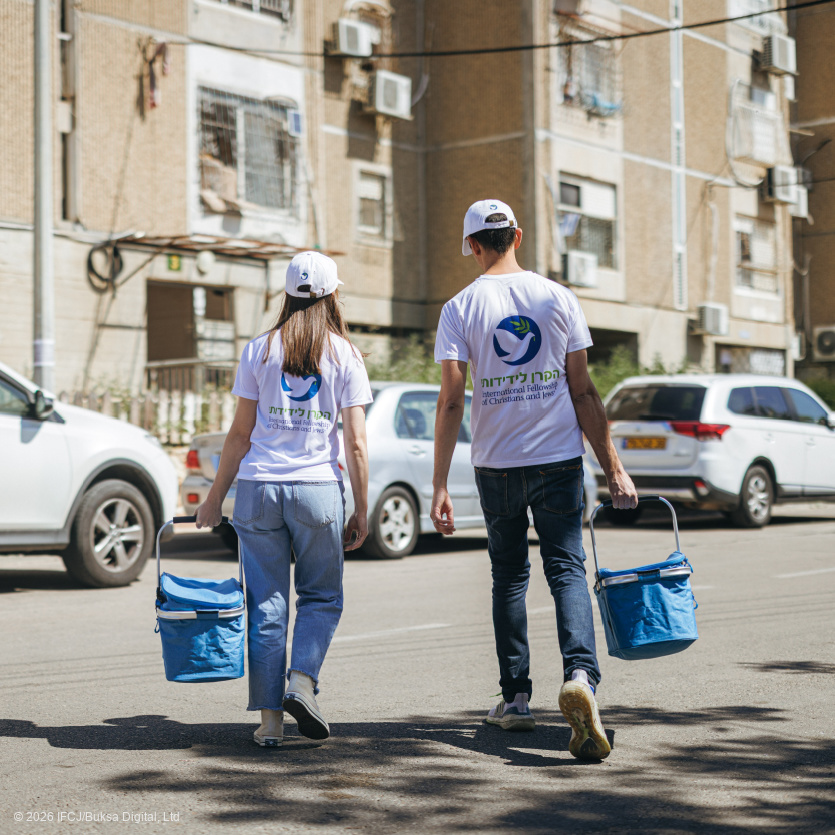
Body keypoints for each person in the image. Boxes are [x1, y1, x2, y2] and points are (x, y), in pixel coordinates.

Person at [431, 199, 638, 761]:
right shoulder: (558, 297)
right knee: (567, 570)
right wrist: (613, 468)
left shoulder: (458, 308)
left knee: (509, 579)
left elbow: (451, 400)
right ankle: (581, 679)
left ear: (473, 244)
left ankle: (516, 699)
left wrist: (440, 485)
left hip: (495, 465)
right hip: (558, 461)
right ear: (516, 236)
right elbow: (584, 390)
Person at [195, 251, 372, 748]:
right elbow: (356, 443)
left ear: (287, 294)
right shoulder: (346, 355)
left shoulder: (258, 350)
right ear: (333, 295)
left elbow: (238, 434)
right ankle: (302, 681)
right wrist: (361, 506)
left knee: (267, 605)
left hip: (257, 490)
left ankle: (270, 722)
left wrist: (214, 500)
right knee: (321, 597)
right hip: (318, 491)